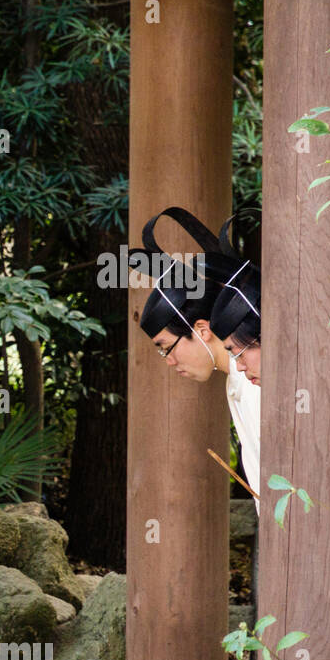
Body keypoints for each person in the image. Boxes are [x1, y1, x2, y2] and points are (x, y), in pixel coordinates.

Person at [136, 208, 261, 511]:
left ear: (201, 329)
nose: (168, 361)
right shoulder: (241, 378)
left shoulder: (255, 380)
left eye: (166, 346)